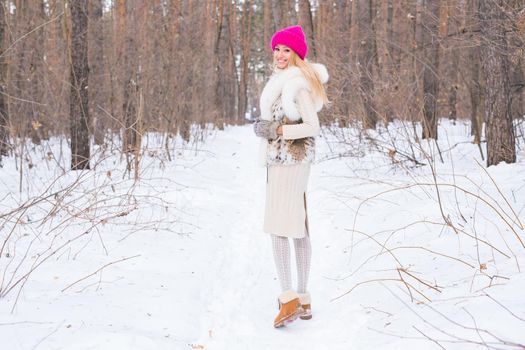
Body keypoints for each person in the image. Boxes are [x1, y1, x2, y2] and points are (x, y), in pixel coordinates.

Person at [253, 25, 329, 328]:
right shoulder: (284, 81)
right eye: (277, 49)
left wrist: (277, 131)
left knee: (279, 226)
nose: (280, 55)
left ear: (297, 54)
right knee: (297, 224)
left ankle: (288, 300)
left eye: (287, 50)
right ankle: (303, 298)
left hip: (289, 161)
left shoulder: (296, 84)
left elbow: (312, 126)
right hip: (284, 161)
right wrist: (267, 127)